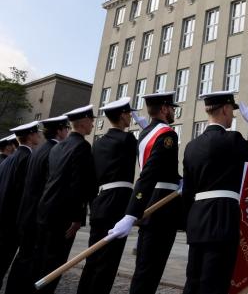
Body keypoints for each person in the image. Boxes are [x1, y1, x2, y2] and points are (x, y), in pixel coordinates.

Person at [181, 91, 248, 294]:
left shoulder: (191, 146)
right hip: (222, 218)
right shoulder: (231, 139)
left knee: (193, 281)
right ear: (225, 109)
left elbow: (187, 192)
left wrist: (187, 223)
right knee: (215, 284)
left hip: (197, 221)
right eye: (232, 111)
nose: (233, 116)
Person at [107, 91, 182, 294]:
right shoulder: (167, 134)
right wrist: (131, 214)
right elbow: (149, 174)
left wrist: (178, 179)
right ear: (164, 109)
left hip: (151, 204)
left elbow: (159, 169)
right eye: (171, 107)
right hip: (162, 208)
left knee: (144, 268)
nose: (173, 111)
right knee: (150, 271)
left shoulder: (146, 131)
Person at [77, 97, 139, 294]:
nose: (131, 117)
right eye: (128, 113)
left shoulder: (98, 143)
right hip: (117, 202)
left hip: (100, 202)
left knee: (93, 257)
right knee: (108, 262)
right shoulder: (128, 139)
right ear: (122, 116)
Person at [34, 106, 97, 294]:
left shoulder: (57, 146)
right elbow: (79, 184)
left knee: (41, 261)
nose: (93, 123)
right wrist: (77, 217)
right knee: (54, 264)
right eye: (91, 120)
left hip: (45, 210)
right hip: (63, 215)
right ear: (84, 122)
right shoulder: (82, 146)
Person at [5, 116, 70, 294]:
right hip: (37, 215)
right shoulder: (53, 151)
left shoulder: (38, 151)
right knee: (32, 261)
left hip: (26, 214)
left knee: (24, 259)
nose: (68, 132)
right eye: (66, 128)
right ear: (59, 130)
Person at [0, 121, 41, 289]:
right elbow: (26, 194)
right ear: (30, 136)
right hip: (13, 223)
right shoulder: (28, 159)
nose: (39, 135)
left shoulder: (8, 160)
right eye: (36, 133)